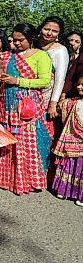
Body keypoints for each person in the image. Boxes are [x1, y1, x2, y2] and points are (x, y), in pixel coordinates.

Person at [0, 23, 52, 195]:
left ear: (31, 38)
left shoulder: (41, 56)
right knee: (7, 136)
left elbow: (44, 81)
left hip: (27, 106)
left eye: (21, 40)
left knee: (24, 140)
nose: (17, 43)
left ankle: (26, 179)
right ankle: (0, 175)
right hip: (7, 103)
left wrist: (18, 81)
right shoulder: (8, 56)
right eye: (15, 40)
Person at [52, 74, 83, 206]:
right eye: (78, 84)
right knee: (69, 164)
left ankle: (80, 195)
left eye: (82, 84)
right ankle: (64, 191)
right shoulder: (73, 102)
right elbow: (61, 109)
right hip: (71, 141)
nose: (79, 86)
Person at [38, 16, 69, 121]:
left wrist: (53, 103)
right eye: (46, 29)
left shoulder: (60, 50)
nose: (49, 33)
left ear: (59, 34)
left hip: (47, 94)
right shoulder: (33, 44)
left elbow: (60, 78)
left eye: (54, 31)